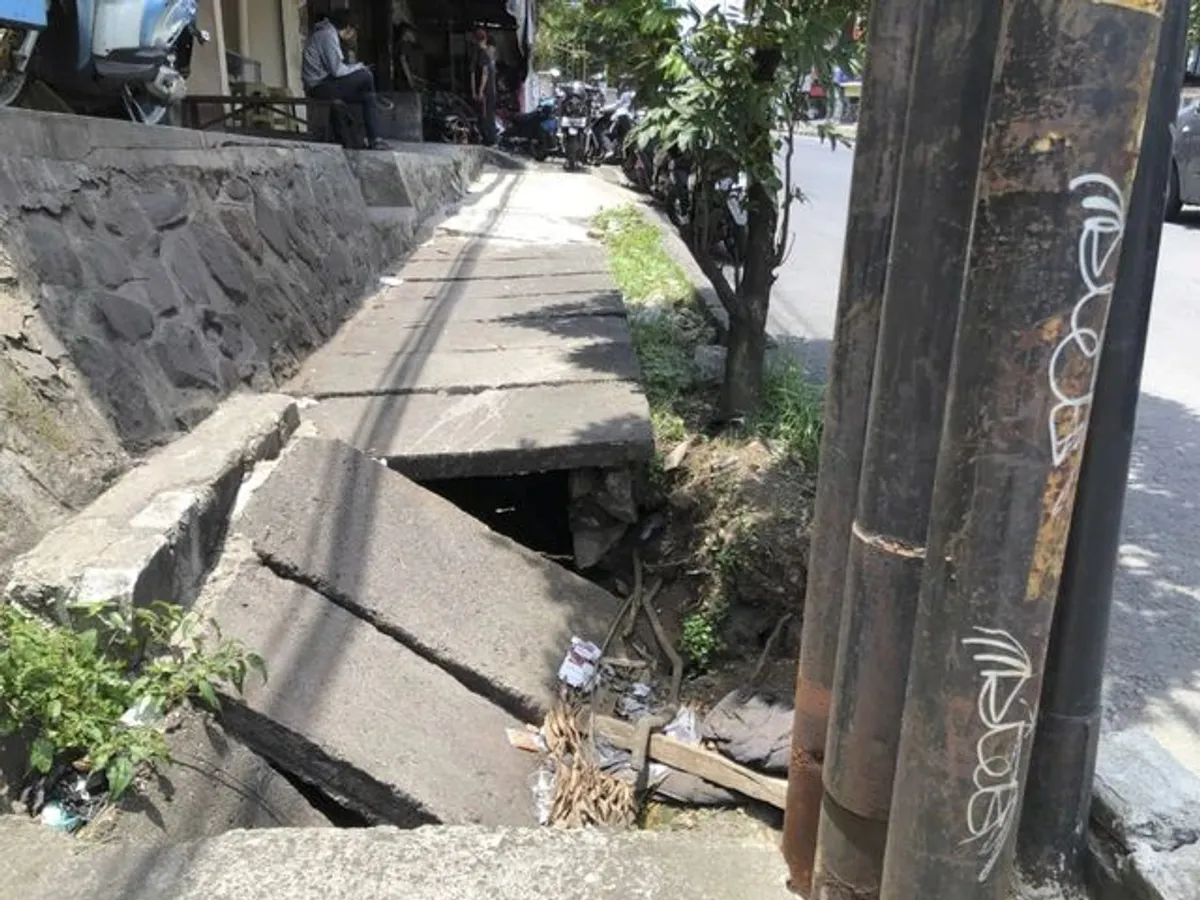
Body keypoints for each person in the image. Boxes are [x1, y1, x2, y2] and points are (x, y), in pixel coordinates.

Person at [301, 11, 386, 149]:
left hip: (323, 83)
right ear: (348, 28)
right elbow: (337, 71)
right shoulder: (328, 35)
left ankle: (370, 139)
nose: (352, 36)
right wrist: (358, 67)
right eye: (353, 31)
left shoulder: (324, 32)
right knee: (366, 76)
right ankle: (373, 138)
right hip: (318, 86)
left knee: (366, 97)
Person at [469, 28, 497, 146]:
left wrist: (480, 91)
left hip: (487, 91)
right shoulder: (487, 55)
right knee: (488, 115)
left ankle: (489, 140)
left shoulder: (483, 54)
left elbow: (485, 73)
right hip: (490, 90)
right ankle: (489, 139)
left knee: (486, 115)